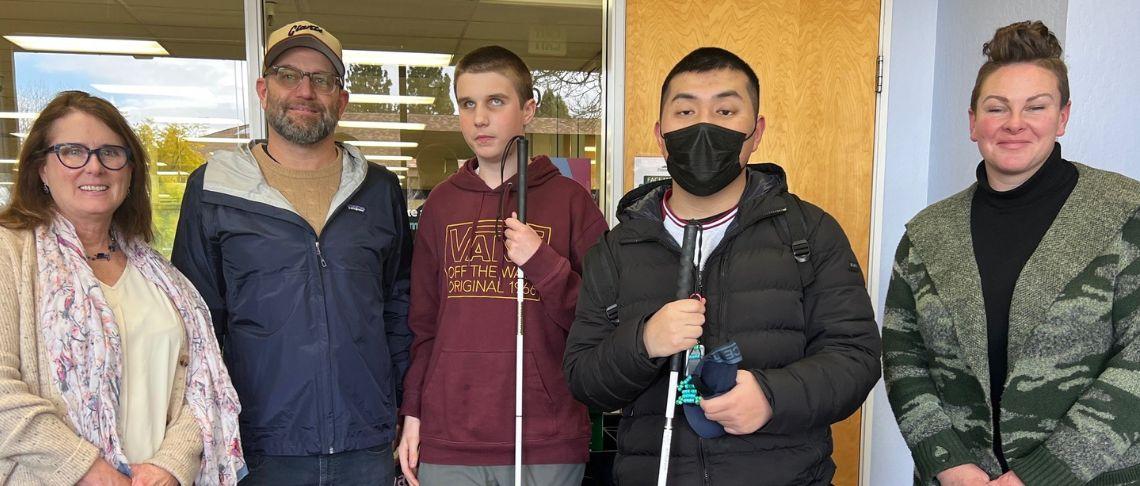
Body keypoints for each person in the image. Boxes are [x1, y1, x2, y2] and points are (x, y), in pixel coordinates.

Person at [563, 47, 881, 485]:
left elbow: (857, 357)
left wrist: (772, 397)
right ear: (660, 134)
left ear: (756, 132)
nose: (704, 126)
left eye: (726, 110)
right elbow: (585, 381)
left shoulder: (809, 233)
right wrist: (644, 341)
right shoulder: (616, 249)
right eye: (686, 110)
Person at [883, 20, 1140, 486]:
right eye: (997, 108)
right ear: (972, 121)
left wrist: (1040, 475)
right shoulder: (927, 233)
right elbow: (903, 356)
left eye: (1036, 107)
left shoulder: (1125, 213)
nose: (1015, 123)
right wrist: (947, 462)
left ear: (1062, 117)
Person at [171, 20, 412, 485]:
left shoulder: (380, 190)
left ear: (340, 99)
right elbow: (197, 326)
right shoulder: (213, 190)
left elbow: (398, 308)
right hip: (260, 445)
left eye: (322, 80)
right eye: (288, 75)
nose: (305, 90)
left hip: (366, 443)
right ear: (263, 90)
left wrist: (402, 408)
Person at [0, 90, 244, 485]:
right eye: (72, 151)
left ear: (130, 172)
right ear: (41, 169)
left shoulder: (159, 274)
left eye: (111, 153)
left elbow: (204, 386)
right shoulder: (9, 254)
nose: (94, 167)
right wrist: (86, 468)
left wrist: (170, 464)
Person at [397, 45, 607, 486]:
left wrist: (544, 264)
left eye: (496, 101)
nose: (479, 118)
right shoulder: (441, 204)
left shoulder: (571, 203)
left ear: (528, 109)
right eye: (467, 104)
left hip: (545, 436)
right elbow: (425, 326)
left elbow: (602, 321)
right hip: (451, 437)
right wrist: (413, 413)